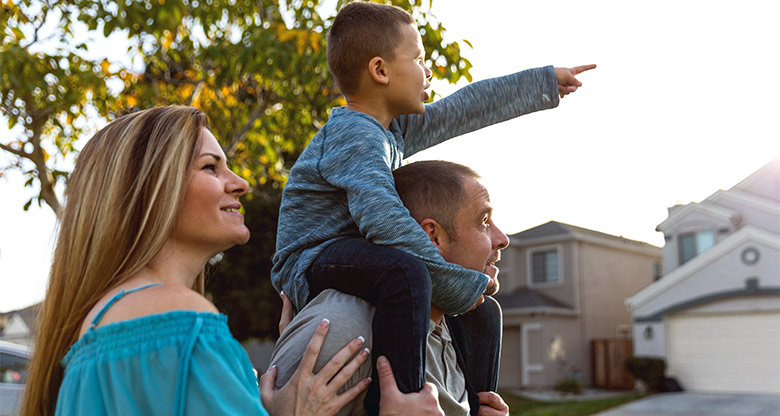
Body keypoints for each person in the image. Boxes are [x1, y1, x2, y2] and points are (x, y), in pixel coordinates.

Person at [271, 1, 595, 412]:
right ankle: (399, 401)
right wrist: (452, 278)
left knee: (483, 311)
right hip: (312, 259)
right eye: (420, 59)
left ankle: (476, 403)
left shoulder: (392, 131)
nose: (429, 71)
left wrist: (542, 83)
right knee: (406, 272)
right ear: (380, 71)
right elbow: (382, 219)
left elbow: (463, 109)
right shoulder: (354, 133)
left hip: (354, 255)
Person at [19, 106, 439, 416]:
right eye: (211, 167)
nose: (240, 183)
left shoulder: (101, 326)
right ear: (151, 190)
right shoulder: (180, 323)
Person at [271, 160, 512, 416]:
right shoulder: (344, 330)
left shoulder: (460, 329)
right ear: (433, 237)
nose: (503, 239)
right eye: (484, 221)